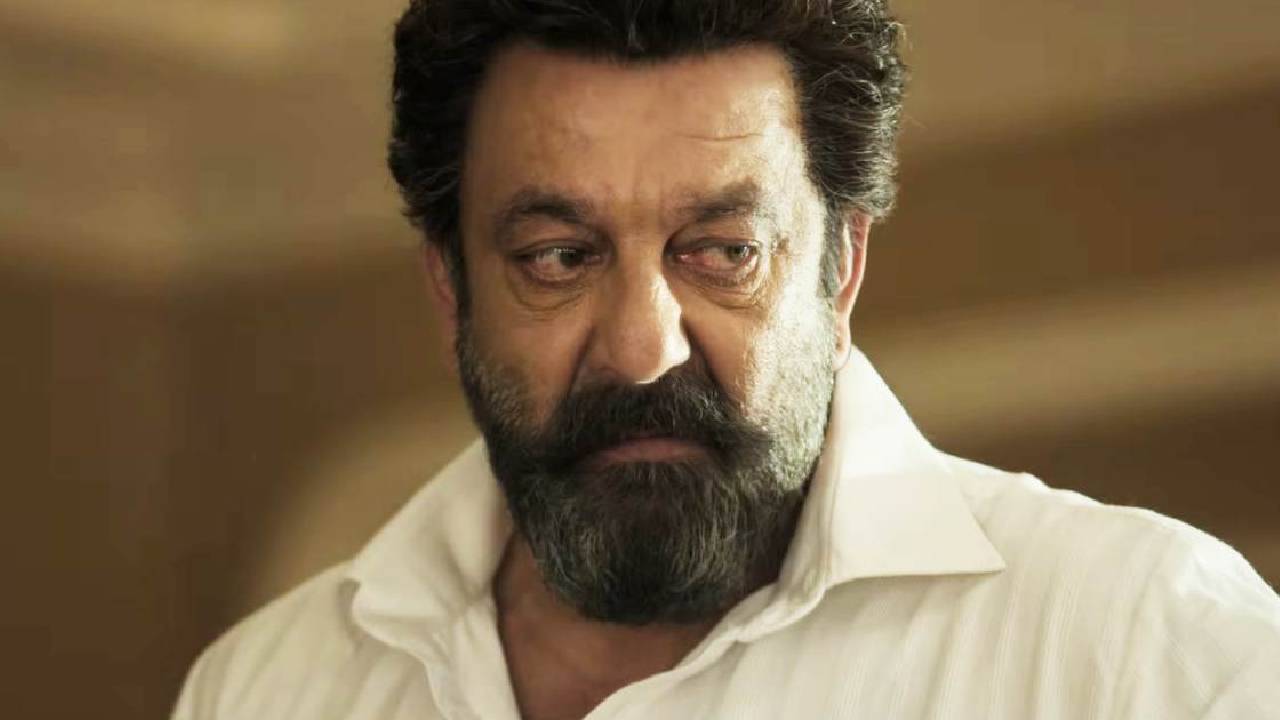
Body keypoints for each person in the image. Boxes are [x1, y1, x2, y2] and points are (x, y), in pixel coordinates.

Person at [172, 1, 1280, 718]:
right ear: (450, 286)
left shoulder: (1139, 649)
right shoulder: (268, 690)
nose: (641, 350)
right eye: (558, 258)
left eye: (724, 251)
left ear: (840, 270)